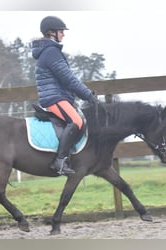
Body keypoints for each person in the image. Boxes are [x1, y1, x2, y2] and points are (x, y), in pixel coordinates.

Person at [32, 16, 97, 176]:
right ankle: (59, 161)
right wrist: (88, 95)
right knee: (76, 121)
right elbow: (68, 78)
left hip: (59, 96)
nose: (63, 34)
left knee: (79, 120)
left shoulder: (50, 51)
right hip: (54, 97)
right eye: (61, 31)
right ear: (51, 33)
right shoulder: (51, 52)